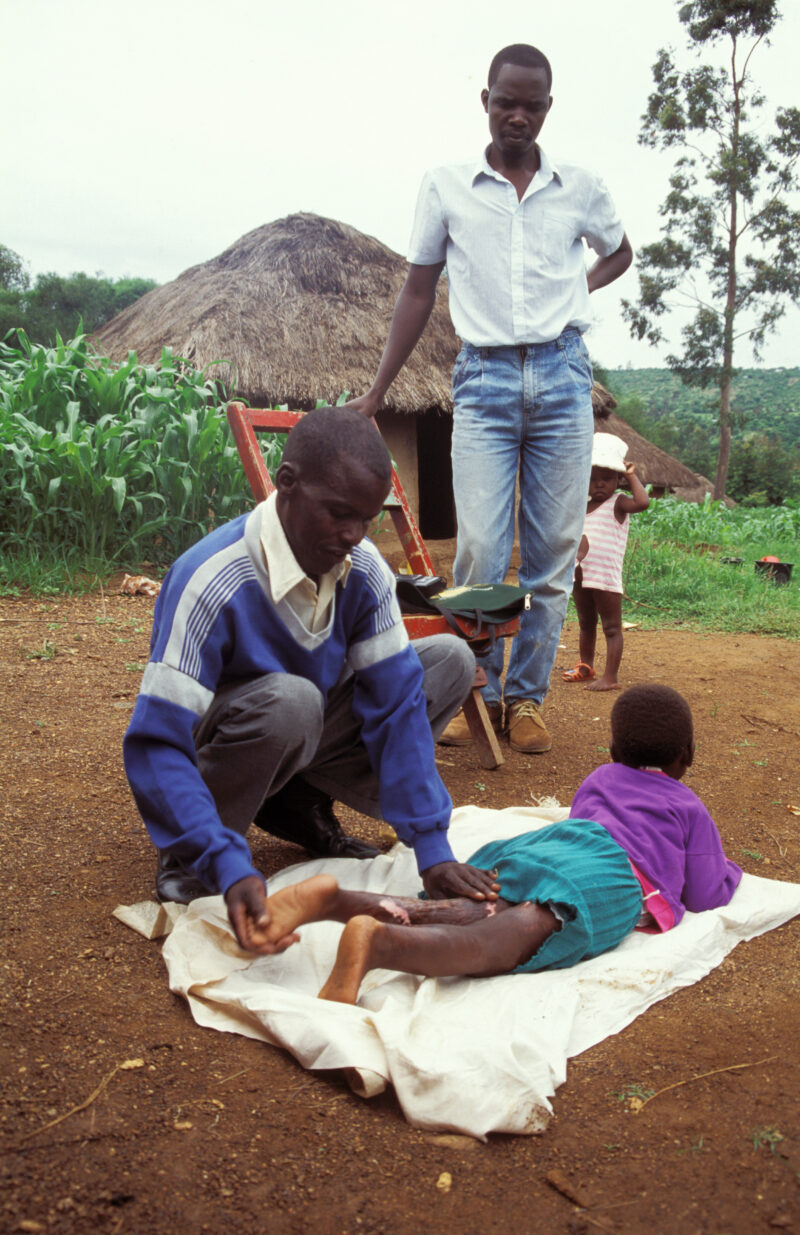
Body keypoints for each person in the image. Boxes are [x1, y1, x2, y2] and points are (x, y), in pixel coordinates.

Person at [123, 407, 501, 953]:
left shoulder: (364, 570)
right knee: (290, 700)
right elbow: (158, 743)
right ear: (287, 484)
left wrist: (432, 846)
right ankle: (193, 857)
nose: (352, 535)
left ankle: (293, 800)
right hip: (232, 741)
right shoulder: (212, 579)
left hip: (301, 728)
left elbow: (396, 706)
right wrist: (227, 860)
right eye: (338, 513)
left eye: (365, 520)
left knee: (447, 660)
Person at [347, 43, 633, 754]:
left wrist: (577, 291)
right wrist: (379, 389)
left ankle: (524, 700)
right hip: (484, 380)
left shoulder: (580, 186)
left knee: (552, 551)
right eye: (506, 101)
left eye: (531, 105)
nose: (517, 115)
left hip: (564, 377)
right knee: (477, 546)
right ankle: (468, 689)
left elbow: (621, 251)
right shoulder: (446, 186)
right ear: (485, 99)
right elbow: (418, 289)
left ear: (547, 109)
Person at [246, 685, 742, 1004]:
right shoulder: (686, 805)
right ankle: (384, 944)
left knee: (480, 908)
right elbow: (704, 892)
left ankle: (337, 901)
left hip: (554, 845)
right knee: (513, 934)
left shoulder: (601, 777)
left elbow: (587, 822)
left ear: (612, 751)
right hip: (608, 876)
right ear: (688, 756)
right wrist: (730, 872)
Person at [562, 433, 650, 691]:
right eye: (592, 479)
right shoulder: (581, 507)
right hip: (581, 575)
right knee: (585, 623)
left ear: (618, 479)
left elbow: (643, 502)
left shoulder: (619, 502)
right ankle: (586, 665)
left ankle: (610, 677)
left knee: (611, 627)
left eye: (607, 478)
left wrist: (631, 474)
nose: (599, 484)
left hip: (606, 578)